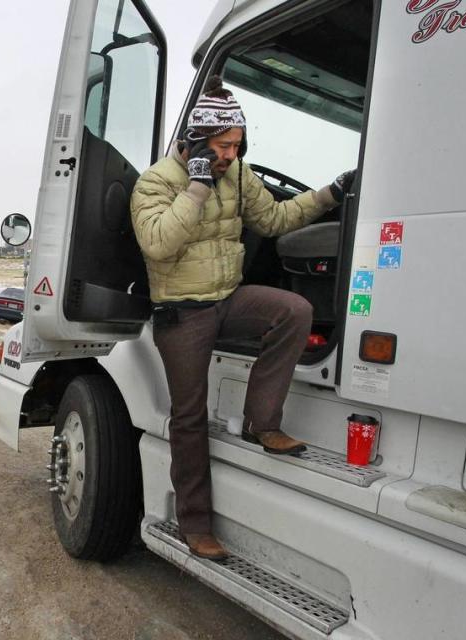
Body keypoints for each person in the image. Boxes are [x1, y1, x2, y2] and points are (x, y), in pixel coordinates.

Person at [130, 76, 355, 560]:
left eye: (237, 144)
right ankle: (195, 525)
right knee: (188, 417)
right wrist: (196, 186)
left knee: (294, 311)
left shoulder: (237, 174)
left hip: (227, 299)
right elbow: (158, 243)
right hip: (181, 311)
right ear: (196, 142)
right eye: (223, 145)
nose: (231, 154)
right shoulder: (154, 182)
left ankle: (262, 421)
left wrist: (331, 193)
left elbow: (274, 220)